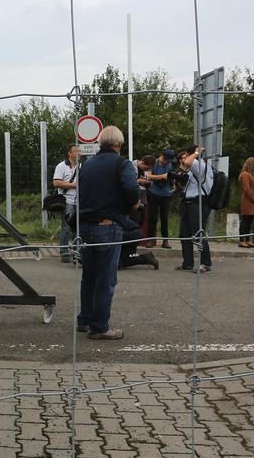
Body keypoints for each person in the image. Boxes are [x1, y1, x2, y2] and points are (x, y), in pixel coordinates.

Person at [74, 126, 140, 340]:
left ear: (101, 143)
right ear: (118, 145)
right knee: (106, 279)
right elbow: (131, 189)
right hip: (108, 225)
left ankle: (84, 320)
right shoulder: (122, 164)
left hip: (84, 226)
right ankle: (100, 327)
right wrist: (135, 204)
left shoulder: (87, 165)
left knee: (89, 277)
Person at [176, 144, 214, 273]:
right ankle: (188, 263)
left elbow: (187, 161)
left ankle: (205, 263)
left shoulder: (200, 165)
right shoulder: (195, 167)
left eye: (187, 155)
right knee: (184, 234)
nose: (184, 159)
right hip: (189, 203)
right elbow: (184, 169)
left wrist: (197, 152)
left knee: (198, 233)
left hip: (198, 203)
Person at [52, 145, 80, 264]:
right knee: (66, 227)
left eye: (79, 151)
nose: (78, 153)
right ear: (69, 154)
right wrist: (73, 185)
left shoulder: (81, 166)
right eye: (76, 151)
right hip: (67, 200)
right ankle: (64, 252)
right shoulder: (61, 166)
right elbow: (56, 182)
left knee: (77, 228)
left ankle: (76, 251)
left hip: (79, 201)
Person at [145, 149, 175, 248]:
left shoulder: (170, 165)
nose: (167, 162)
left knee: (164, 218)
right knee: (152, 217)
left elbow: (170, 177)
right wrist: (162, 176)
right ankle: (150, 240)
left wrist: (160, 177)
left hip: (165, 194)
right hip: (153, 193)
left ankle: (165, 240)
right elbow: (149, 176)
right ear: (163, 157)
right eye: (166, 160)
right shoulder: (153, 163)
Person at [238, 157, 254, 247]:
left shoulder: (250, 175)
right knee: (245, 221)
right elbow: (246, 189)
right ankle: (241, 240)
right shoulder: (244, 175)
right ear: (252, 164)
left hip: (252, 202)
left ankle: (247, 239)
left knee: (249, 222)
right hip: (248, 202)